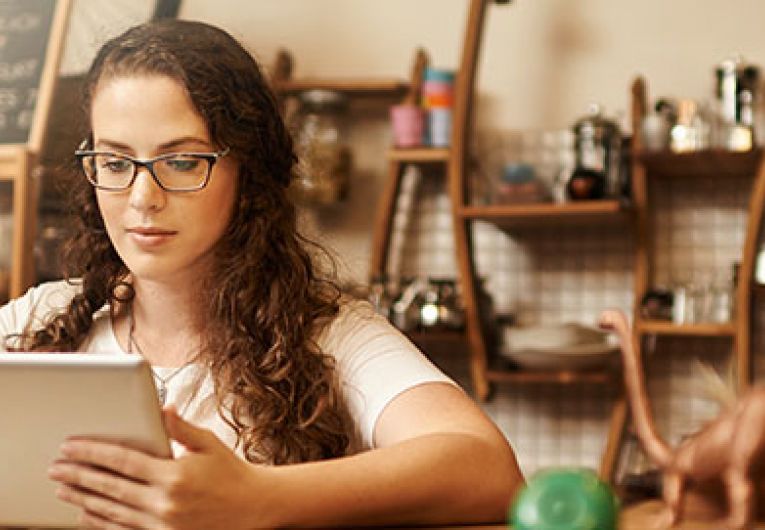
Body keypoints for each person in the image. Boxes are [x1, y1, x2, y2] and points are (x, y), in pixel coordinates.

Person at [0, 19, 523, 529]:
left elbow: (487, 467)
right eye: (115, 163)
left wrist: (258, 498)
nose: (142, 198)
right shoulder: (38, 321)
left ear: (247, 172)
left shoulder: (328, 333)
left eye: (181, 161)